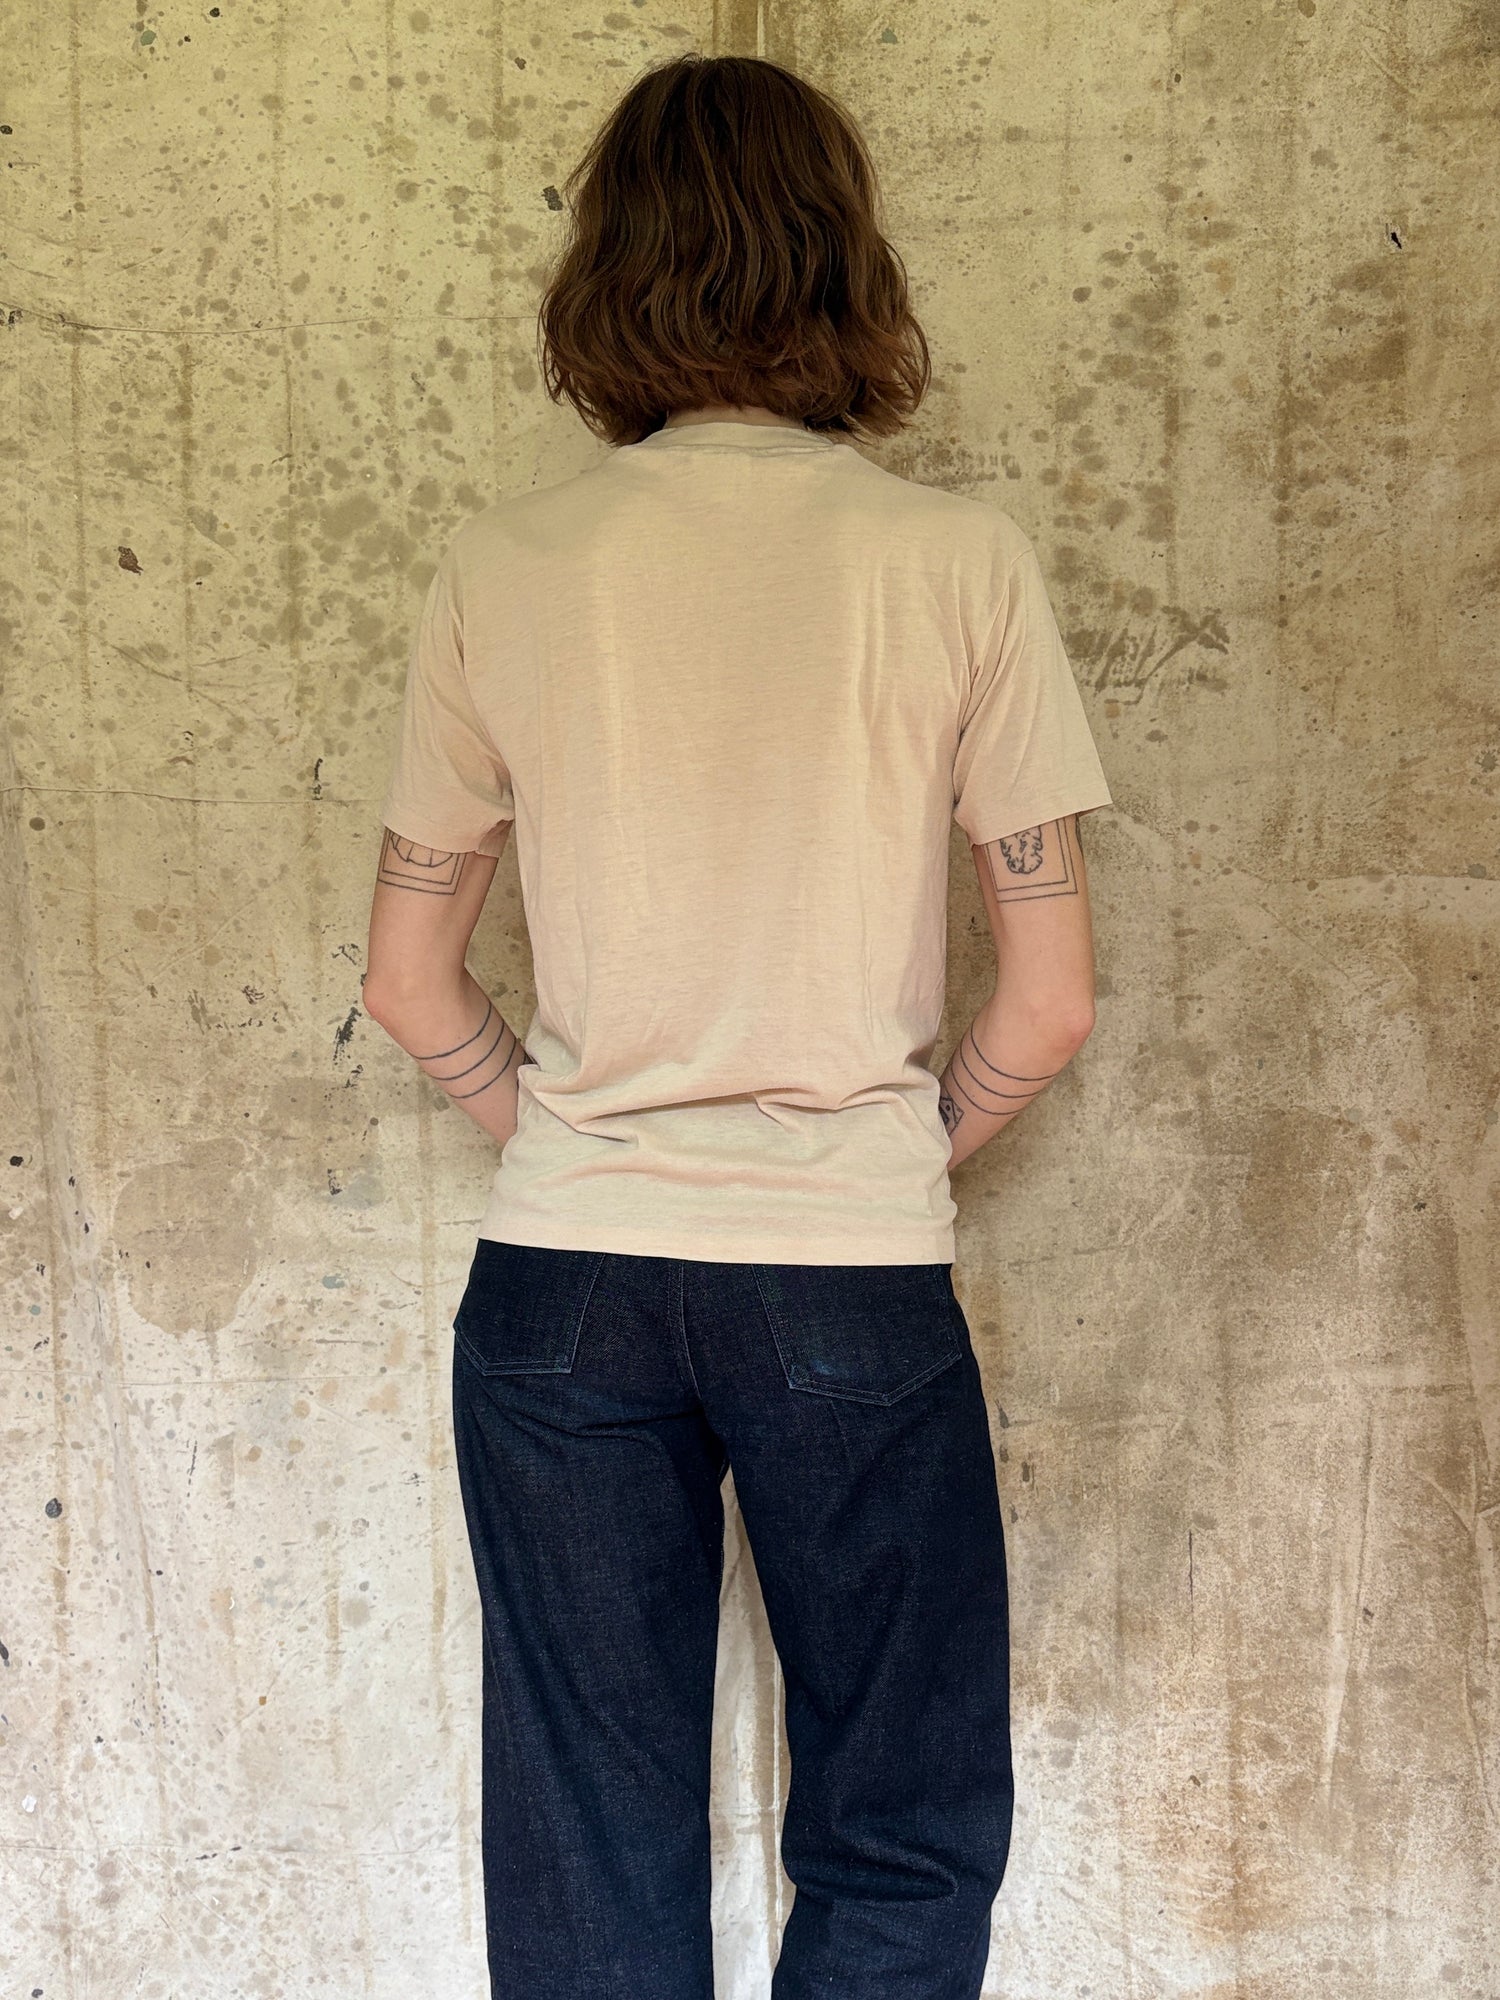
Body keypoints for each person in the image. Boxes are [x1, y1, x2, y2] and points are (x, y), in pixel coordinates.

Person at [363, 50, 1111, 2000]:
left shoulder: (503, 569)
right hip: (845, 1270)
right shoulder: (958, 567)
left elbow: (408, 984)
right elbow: (1049, 1000)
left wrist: (568, 1131)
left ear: (607, 269)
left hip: (564, 1279)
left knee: (587, 1852)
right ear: (845, 257)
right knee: (901, 1824)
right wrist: (892, 1147)